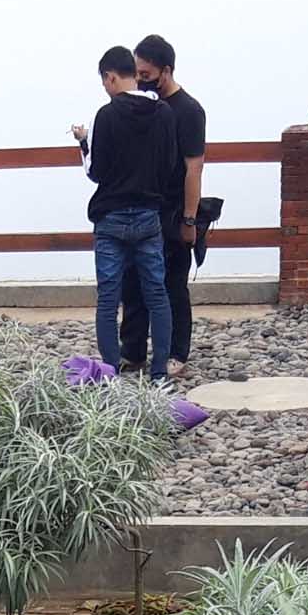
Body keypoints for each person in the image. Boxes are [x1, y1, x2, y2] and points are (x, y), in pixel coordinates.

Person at [70, 45, 177, 383]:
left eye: (105, 81)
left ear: (111, 77)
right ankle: (159, 371)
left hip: (112, 219)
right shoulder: (163, 114)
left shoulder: (106, 115)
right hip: (148, 216)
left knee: (108, 298)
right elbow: (170, 165)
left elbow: (96, 172)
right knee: (157, 294)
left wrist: (84, 144)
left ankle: (111, 373)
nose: (106, 88)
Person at [117, 34, 205, 380]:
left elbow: (193, 167)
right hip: (140, 206)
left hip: (172, 209)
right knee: (133, 281)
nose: (139, 79)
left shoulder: (189, 110)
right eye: (136, 72)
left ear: (165, 70)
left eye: (146, 72)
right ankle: (134, 351)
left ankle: (176, 353)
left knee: (172, 284)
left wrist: (189, 218)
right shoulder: (143, 106)